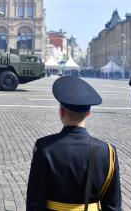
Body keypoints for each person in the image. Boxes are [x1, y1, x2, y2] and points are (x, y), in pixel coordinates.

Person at [26, 76, 121, 211]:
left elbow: (35, 201)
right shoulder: (107, 151)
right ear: (88, 113)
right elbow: (113, 205)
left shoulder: (45, 147)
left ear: (61, 112)